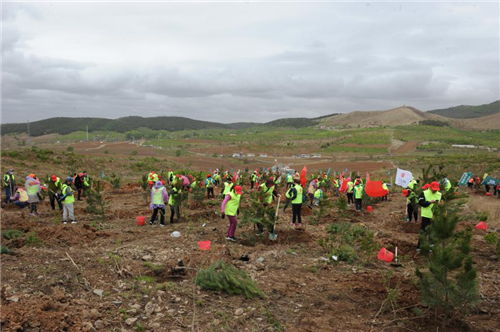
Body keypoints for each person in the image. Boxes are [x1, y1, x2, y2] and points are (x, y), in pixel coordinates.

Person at [417, 181, 442, 251]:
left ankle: (431, 246)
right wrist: (429, 202)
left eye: (436, 189)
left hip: (435, 216)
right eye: (434, 189)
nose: (435, 190)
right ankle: (419, 247)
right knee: (423, 231)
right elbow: (420, 203)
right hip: (426, 216)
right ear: (430, 187)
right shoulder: (424, 193)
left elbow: (443, 203)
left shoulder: (440, 195)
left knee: (433, 232)